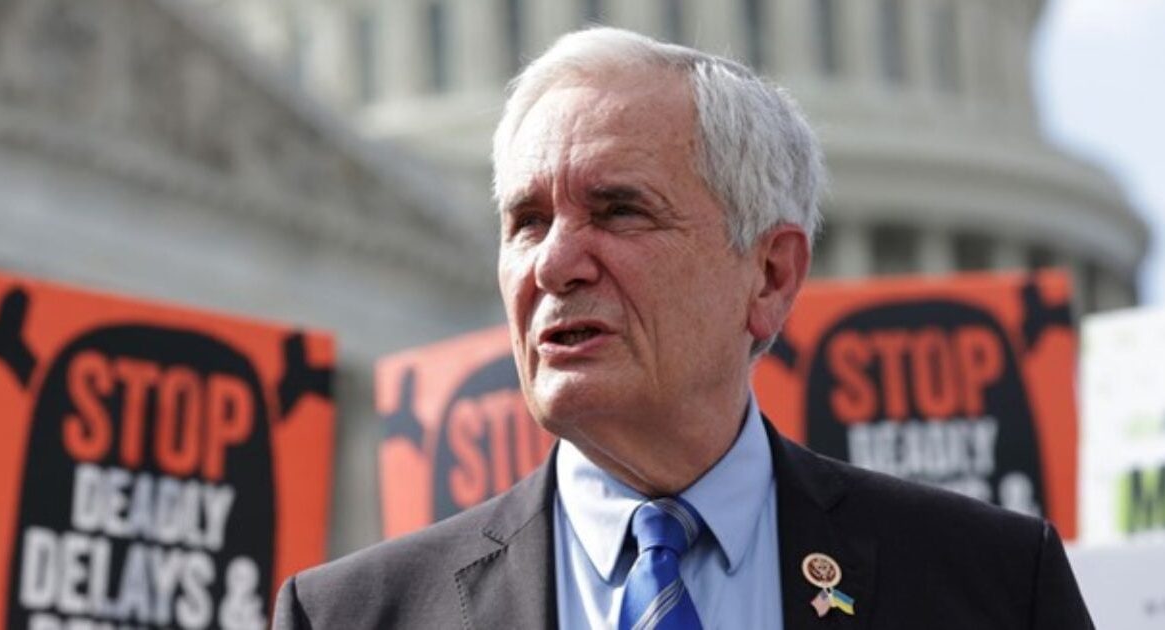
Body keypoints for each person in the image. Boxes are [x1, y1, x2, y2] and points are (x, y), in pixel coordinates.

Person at [273, 27, 1093, 629]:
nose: (554, 264)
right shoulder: (351, 617)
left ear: (770, 275)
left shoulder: (989, 586)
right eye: (527, 222)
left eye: (618, 210)